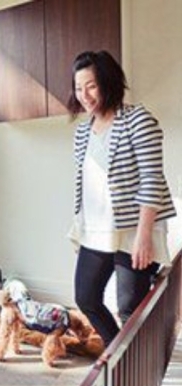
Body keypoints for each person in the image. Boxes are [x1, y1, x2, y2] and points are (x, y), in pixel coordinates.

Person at [67, 50, 176, 346]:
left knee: (130, 309)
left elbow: (152, 178)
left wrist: (144, 236)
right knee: (86, 297)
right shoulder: (82, 132)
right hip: (96, 231)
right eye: (79, 88)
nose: (84, 95)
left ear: (108, 81)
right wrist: (81, 228)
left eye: (91, 86)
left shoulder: (138, 120)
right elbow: (88, 184)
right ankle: (119, 356)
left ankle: (133, 361)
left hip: (133, 231)